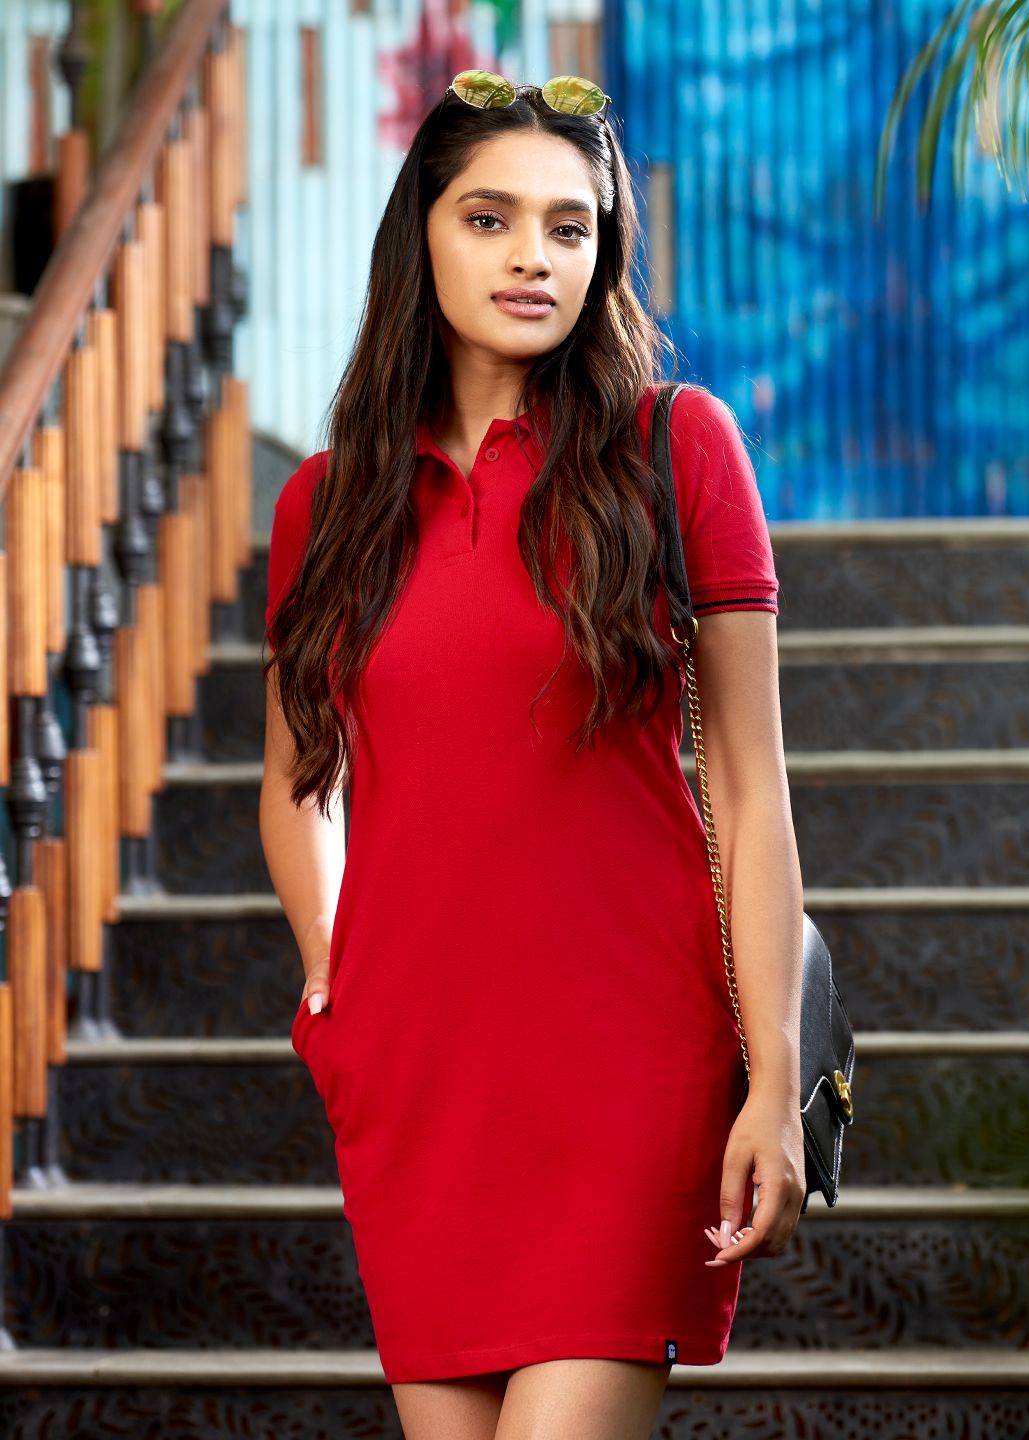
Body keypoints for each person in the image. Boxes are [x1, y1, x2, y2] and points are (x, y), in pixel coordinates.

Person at [260, 69, 806, 1440]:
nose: (532, 257)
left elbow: (747, 787)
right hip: (423, 1078)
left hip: (633, 1064)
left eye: (571, 229)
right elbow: (292, 782)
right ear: (423, 237)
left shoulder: (677, 448)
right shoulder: (326, 506)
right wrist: (336, 984)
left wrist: (776, 1077)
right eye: (492, 218)